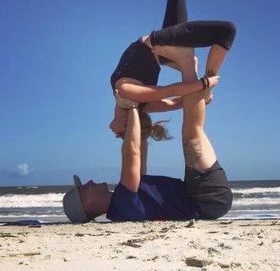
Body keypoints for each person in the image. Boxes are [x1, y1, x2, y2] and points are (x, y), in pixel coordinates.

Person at [63, 48, 232, 222]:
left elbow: (139, 151)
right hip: (206, 199)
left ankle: (191, 75)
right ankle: (189, 67)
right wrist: (131, 106)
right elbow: (132, 153)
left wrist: (131, 124)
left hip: (203, 197)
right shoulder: (123, 203)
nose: (89, 182)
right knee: (192, 134)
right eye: (83, 189)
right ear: (88, 205)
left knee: (192, 132)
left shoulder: (124, 200)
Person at [109, 0, 236, 140]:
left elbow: (169, 99)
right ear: (126, 122)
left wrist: (200, 88)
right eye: (119, 133)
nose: (113, 132)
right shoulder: (133, 99)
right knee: (225, 31)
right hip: (161, 47)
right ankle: (209, 74)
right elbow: (169, 97)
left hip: (161, 50)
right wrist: (204, 85)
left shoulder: (129, 98)